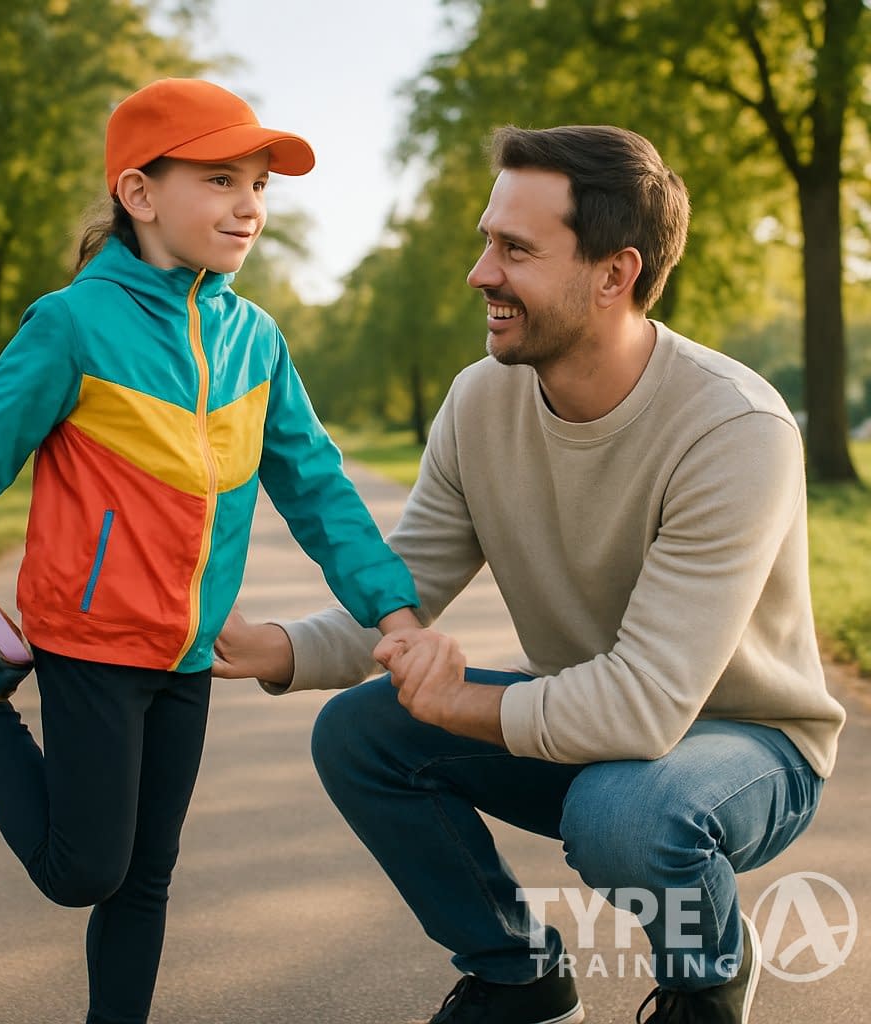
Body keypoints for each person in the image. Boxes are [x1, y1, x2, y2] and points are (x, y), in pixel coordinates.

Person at [212, 123, 846, 1024]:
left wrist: (455, 701)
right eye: (486, 241)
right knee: (360, 734)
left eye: (514, 249)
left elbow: (643, 707)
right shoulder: (483, 399)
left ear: (614, 274)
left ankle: (707, 981)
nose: (480, 272)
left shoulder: (734, 429)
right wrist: (272, 649)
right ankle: (520, 979)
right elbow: (401, 592)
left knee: (623, 812)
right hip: (599, 738)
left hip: (746, 746)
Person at [0, 78, 421, 1024]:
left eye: (258, 184)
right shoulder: (71, 324)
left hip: (188, 654)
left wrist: (393, 608)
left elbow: (319, 492)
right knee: (81, 872)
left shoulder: (257, 340)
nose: (249, 205)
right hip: (90, 641)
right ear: (140, 195)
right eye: (220, 179)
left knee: (146, 879)